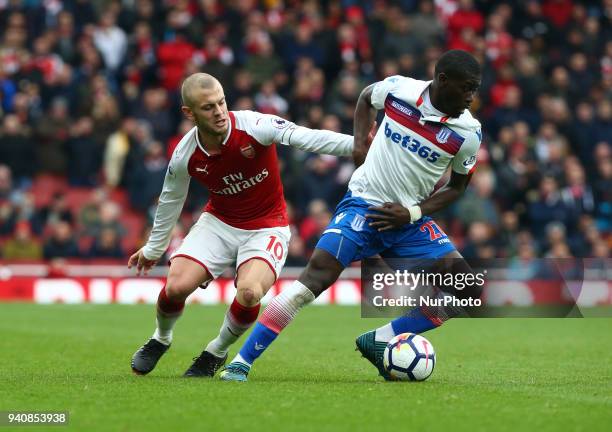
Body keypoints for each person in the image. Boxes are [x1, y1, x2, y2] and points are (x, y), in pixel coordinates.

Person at [220, 50, 484, 381]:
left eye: (475, 89)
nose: (471, 97)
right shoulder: (400, 90)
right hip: (363, 205)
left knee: (468, 290)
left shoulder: (468, 132)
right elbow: (365, 98)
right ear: (443, 80)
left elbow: (458, 187)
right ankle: (241, 362)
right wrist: (360, 141)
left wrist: (412, 212)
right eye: (467, 88)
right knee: (314, 280)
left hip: (408, 221)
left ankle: (381, 339)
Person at [129, 73, 356, 377]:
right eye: (208, 107)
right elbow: (170, 200)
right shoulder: (185, 153)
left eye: (222, 102)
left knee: (249, 293)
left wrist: (362, 147)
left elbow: (310, 137)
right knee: (175, 287)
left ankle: (216, 351)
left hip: (267, 226)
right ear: (189, 113)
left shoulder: (254, 126)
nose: (219, 112)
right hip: (219, 222)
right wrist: (154, 247)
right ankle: (161, 338)